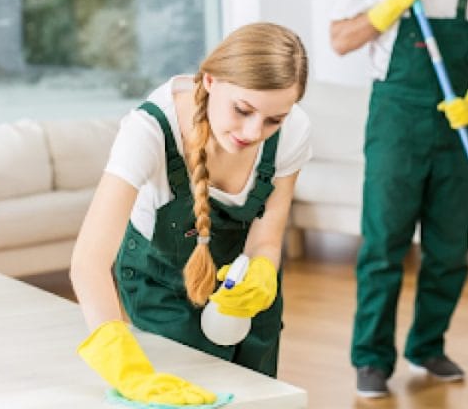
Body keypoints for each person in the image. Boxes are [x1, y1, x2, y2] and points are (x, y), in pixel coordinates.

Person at [69, 22, 312, 405]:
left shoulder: (294, 131)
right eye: (243, 109)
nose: (253, 131)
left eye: (273, 120)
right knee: (185, 394)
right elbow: (88, 263)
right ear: (211, 81)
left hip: (241, 284)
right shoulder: (149, 131)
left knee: (256, 397)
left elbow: (266, 237)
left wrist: (262, 270)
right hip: (162, 279)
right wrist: (126, 369)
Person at [329, 0, 468, 399]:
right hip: (396, 124)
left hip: (455, 126)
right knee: (384, 245)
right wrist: (386, 9)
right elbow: (340, 39)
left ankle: (427, 345)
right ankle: (370, 359)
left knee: (449, 250)